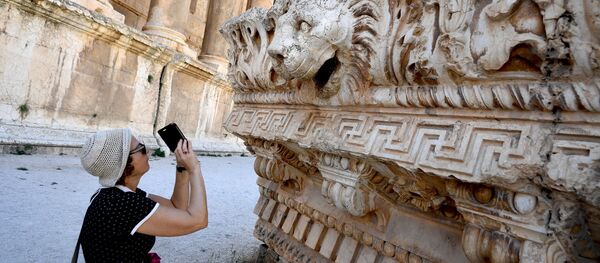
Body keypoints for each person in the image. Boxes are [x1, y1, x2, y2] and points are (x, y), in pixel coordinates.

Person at [76, 128, 208, 262]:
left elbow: (177, 207)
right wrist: (194, 168)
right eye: (142, 149)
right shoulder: (122, 203)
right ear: (124, 162)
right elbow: (198, 221)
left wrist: (182, 168)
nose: (149, 152)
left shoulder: (115, 195)